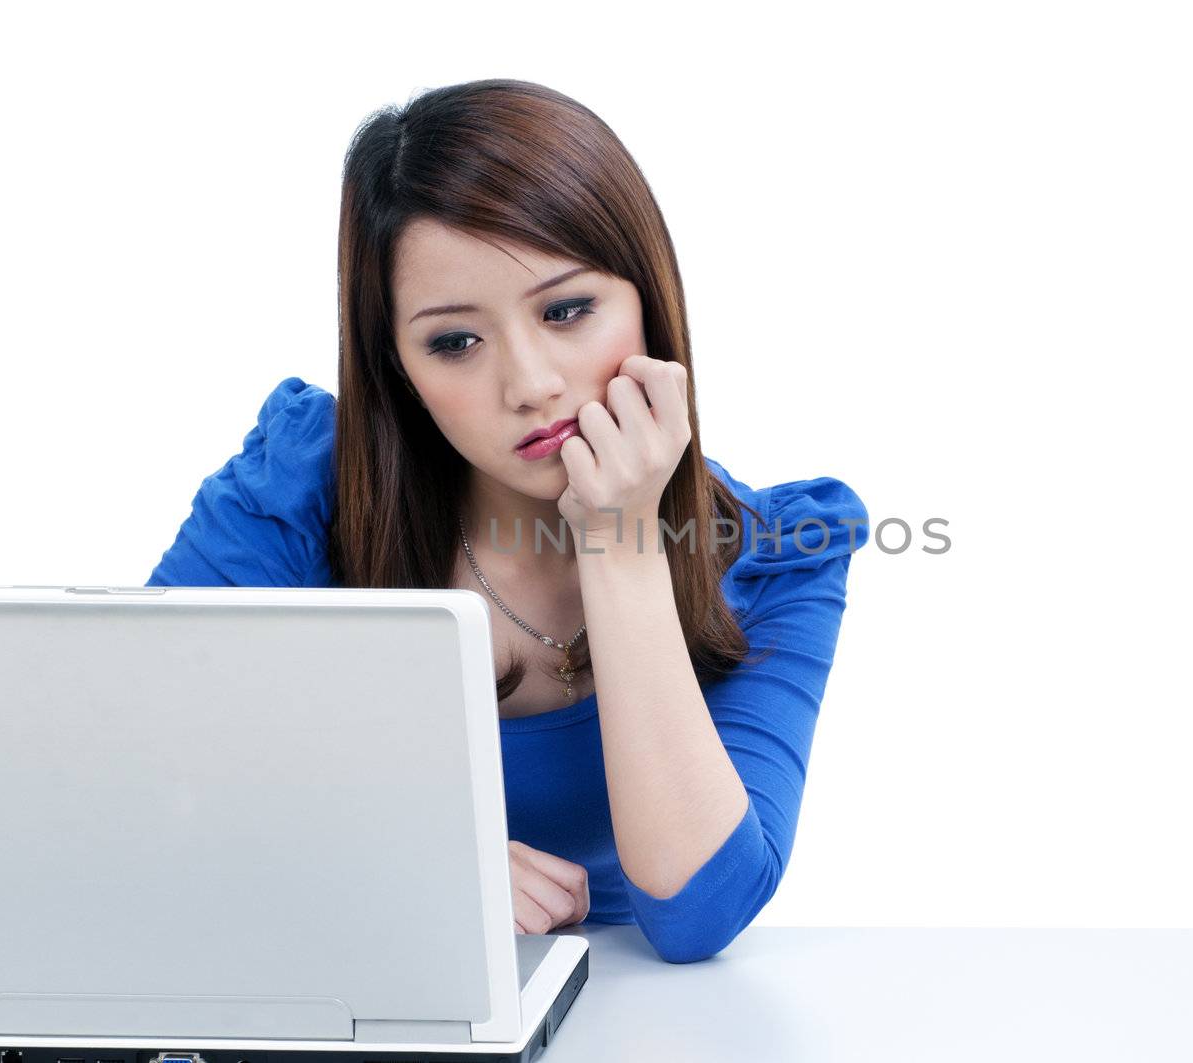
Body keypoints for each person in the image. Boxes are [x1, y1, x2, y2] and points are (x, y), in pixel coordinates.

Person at [145, 79, 869, 964]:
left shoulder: (782, 549)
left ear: (648, 300)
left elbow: (699, 913)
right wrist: (416, 861)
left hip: (624, 1020)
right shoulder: (301, 487)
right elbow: (137, 775)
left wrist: (621, 542)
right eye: (456, 341)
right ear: (398, 366)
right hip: (329, 986)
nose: (529, 382)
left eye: (566, 311)